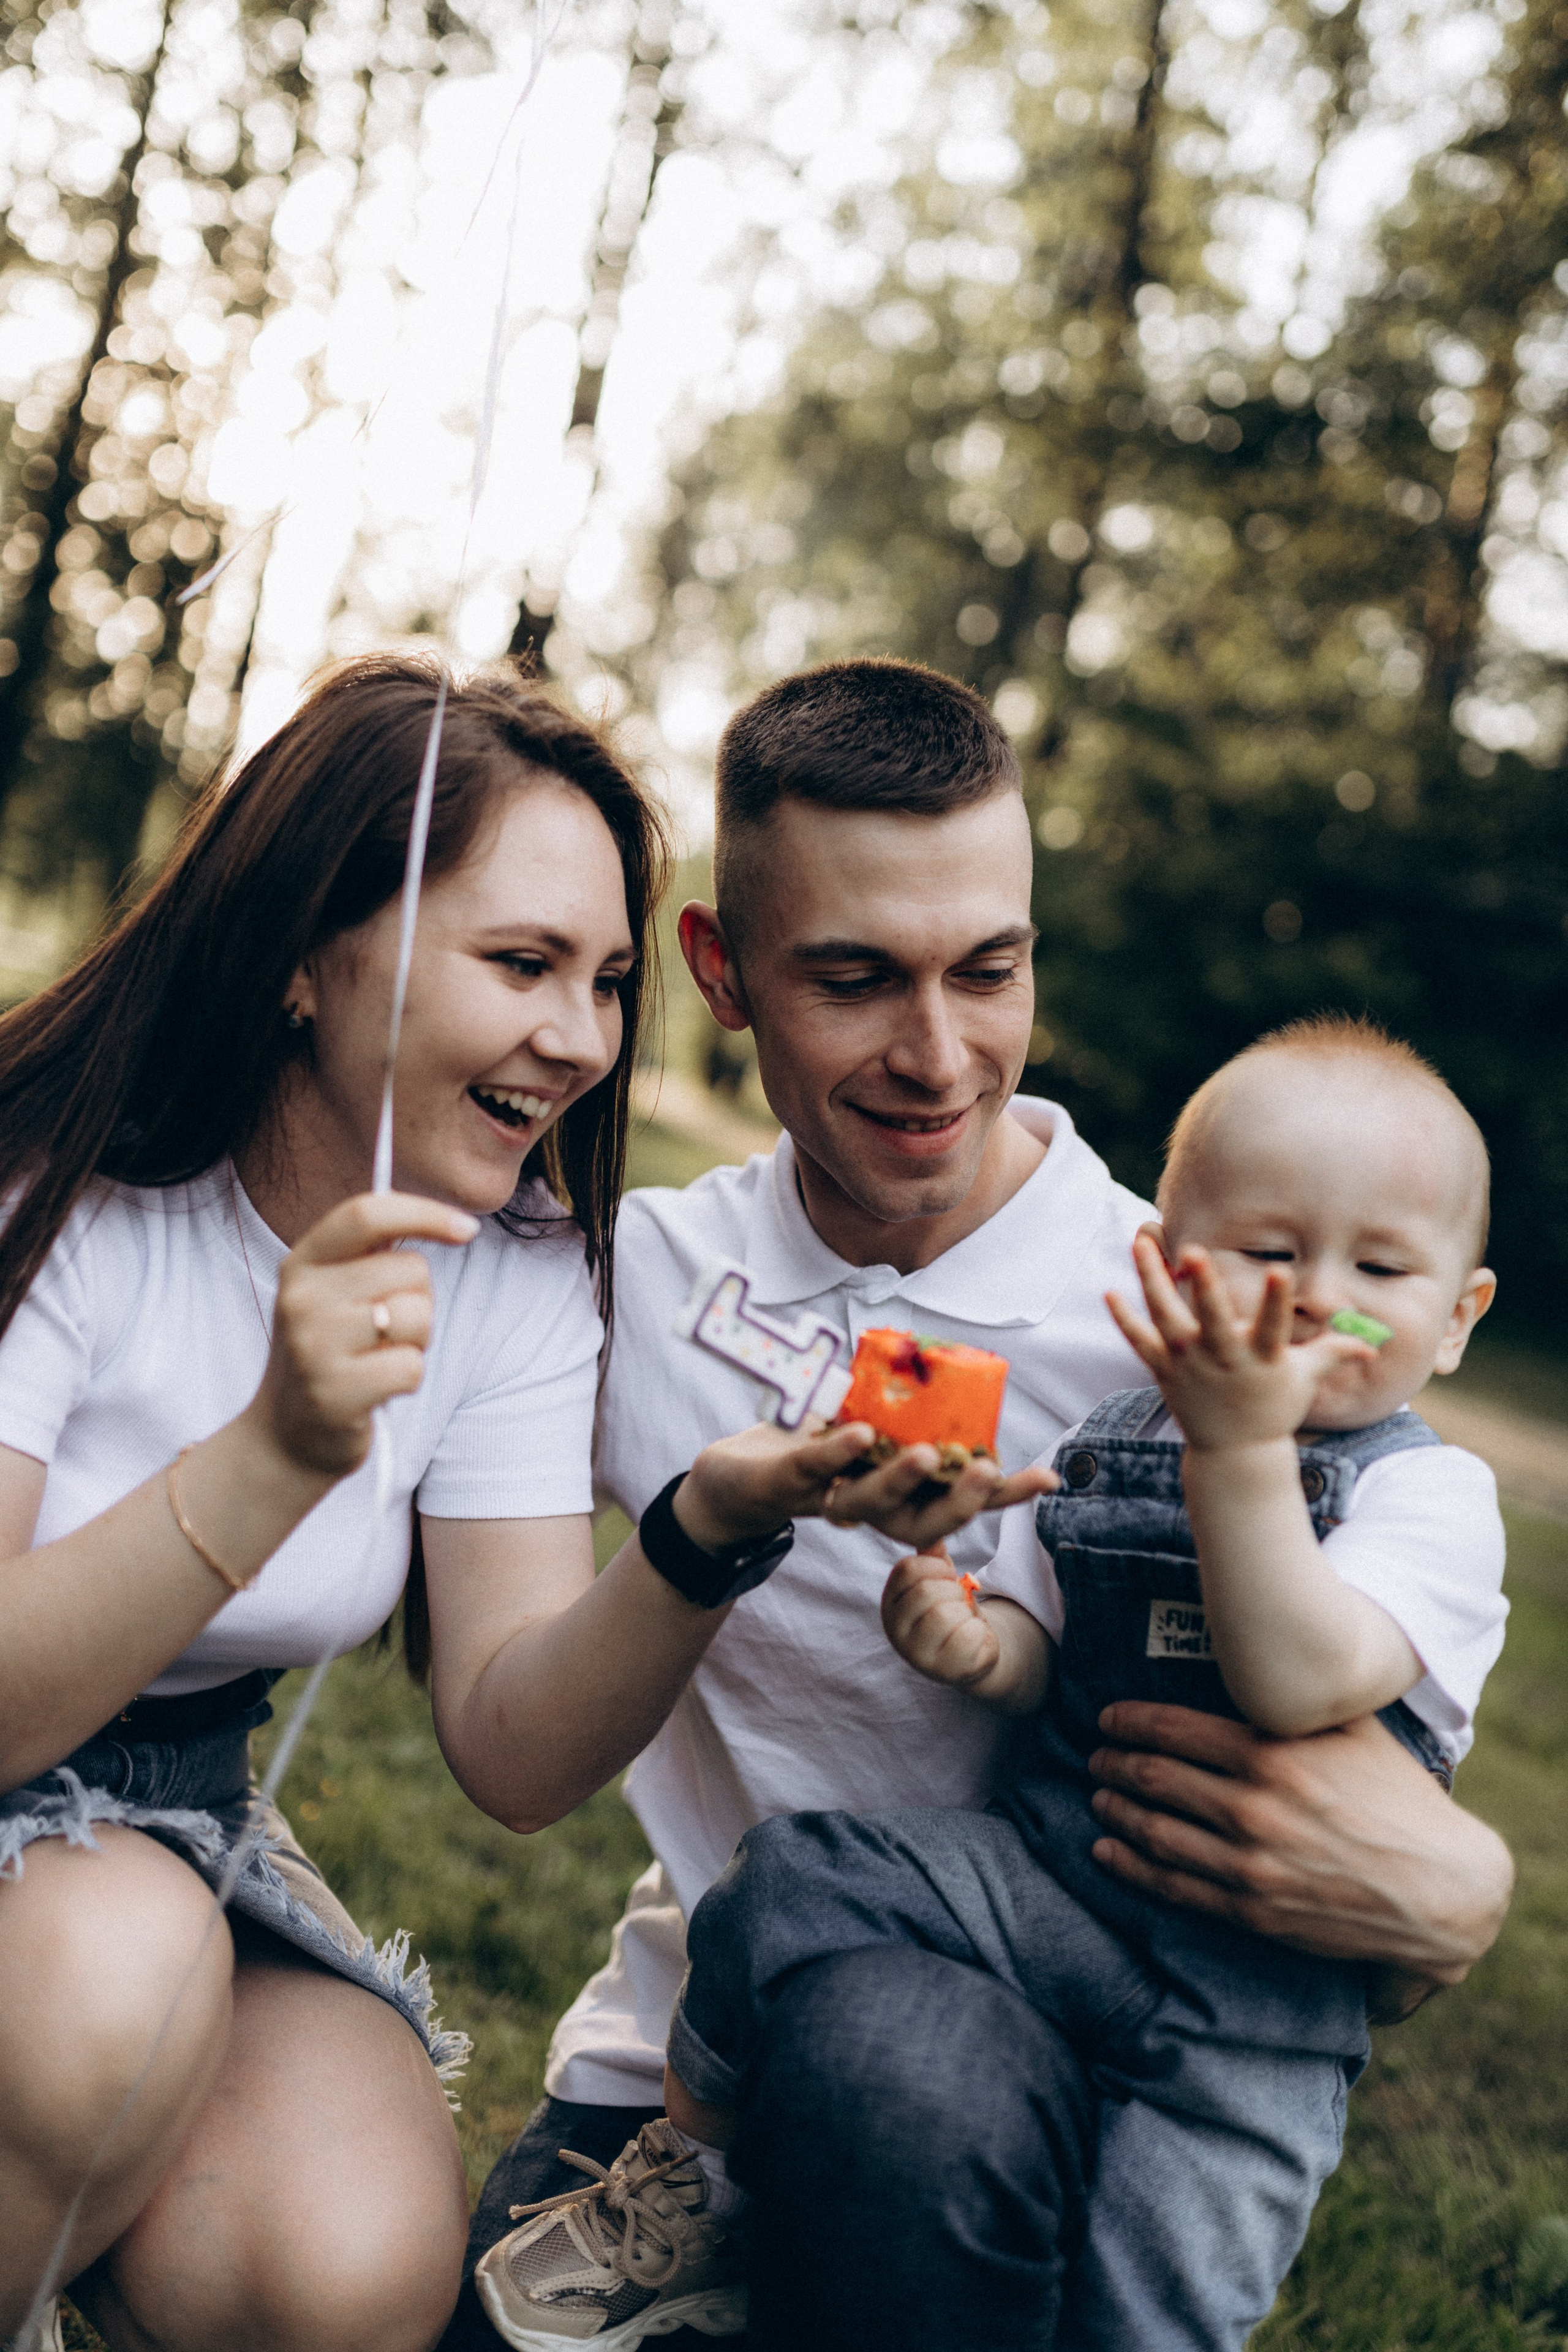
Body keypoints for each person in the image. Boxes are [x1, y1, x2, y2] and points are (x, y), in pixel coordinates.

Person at [453, 658, 1515, 2352]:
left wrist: (1465, 1890)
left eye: (990, 970)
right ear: (721, 971)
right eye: (856, 978)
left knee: (904, 2063)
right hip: (703, 2032)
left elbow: (1373, 1712)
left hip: (1024, 2069)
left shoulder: (1195, 1313)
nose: (937, 1056)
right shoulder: (632, 1282)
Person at [0, 653, 998, 2352]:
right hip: (53, 1826)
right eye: (520, 963)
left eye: (607, 980)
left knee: (351, 2269)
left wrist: (702, 1531)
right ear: (314, 953)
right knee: (110, 1978)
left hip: (172, 1813)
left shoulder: (521, 1269)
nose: (579, 1039)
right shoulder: (60, 1185)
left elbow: (517, 1752)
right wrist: (266, 1459)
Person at [662, 1014, 1507, 2351]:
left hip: (1250, 2024)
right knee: (797, 1877)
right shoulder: (1114, 1442)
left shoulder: (1426, 1496)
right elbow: (1043, 1647)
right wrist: (973, 1644)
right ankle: (687, 2161)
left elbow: (1301, 1681)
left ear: (1456, 1318)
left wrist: (1238, 1454)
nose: (1308, 1293)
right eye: (1268, 1252)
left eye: (1380, 1267)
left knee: (1142, 2313)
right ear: (1165, 1270)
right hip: (1050, 1885)